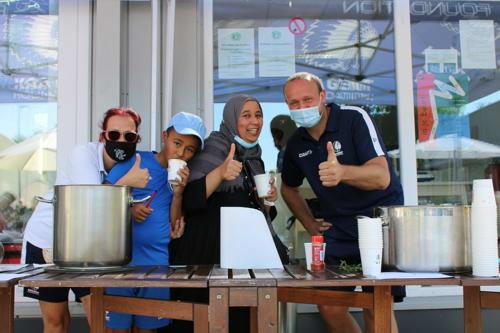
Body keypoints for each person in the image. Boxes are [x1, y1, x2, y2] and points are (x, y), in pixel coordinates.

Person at [279, 72, 405, 333]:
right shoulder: (295, 144)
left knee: (376, 305)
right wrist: (310, 223)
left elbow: (382, 177)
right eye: (294, 103)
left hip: (380, 225)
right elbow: (288, 188)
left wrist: (343, 172)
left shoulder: (353, 118)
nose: (302, 108)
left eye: (307, 99)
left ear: (322, 97)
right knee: (329, 305)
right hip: (338, 228)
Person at [22, 107, 150, 333]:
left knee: (100, 319)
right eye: (114, 135)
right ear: (102, 136)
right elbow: (91, 203)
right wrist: (127, 183)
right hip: (47, 242)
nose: (121, 140)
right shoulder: (83, 154)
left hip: (87, 248)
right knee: (56, 322)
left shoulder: (135, 164)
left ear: (137, 139)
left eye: (129, 136)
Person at [168, 94, 285, 333]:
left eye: (258, 115)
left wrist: (268, 202)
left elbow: (253, 213)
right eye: (246, 115)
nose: (254, 121)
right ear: (232, 118)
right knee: (201, 323)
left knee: (239, 322)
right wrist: (220, 172)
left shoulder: (255, 159)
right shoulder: (214, 147)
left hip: (240, 262)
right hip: (204, 259)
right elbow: (189, 199)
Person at [104, 112, 206, 333]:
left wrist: (178, 194)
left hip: (157, 264)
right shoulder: (136, 160)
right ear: (164, 137)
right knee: (116, 330)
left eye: (189, 149)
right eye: (177, 143)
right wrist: (128, 207)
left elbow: (174, 226)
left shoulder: (182, 177)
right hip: (120, 264)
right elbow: (102, 198)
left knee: (148, 330)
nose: (181, 152)